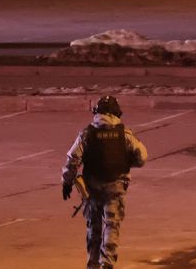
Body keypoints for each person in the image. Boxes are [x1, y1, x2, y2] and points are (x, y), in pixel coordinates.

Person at [61, 95, 148, 269]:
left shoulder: (87, 134)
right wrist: (125, 162)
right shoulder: (124, 134)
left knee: (94, 228)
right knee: (112, 225)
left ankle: (92, 264)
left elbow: (73, 160)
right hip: (115, 186)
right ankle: (107, 263)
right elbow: (142, 157)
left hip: (92, 186)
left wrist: (67, 182)